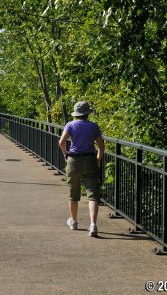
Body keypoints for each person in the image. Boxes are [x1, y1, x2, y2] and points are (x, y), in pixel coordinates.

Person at [59, 100, 105, 237]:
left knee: (74, 192)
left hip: (74, 160)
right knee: (92, 193)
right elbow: (101, 146)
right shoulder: (93, 126)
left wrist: (66, 153)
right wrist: (98, 158)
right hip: (90, 159)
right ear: (87, 114)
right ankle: (93, 224)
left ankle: (73, 221)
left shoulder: (70, 125)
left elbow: (61, 142)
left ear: (76, 114)